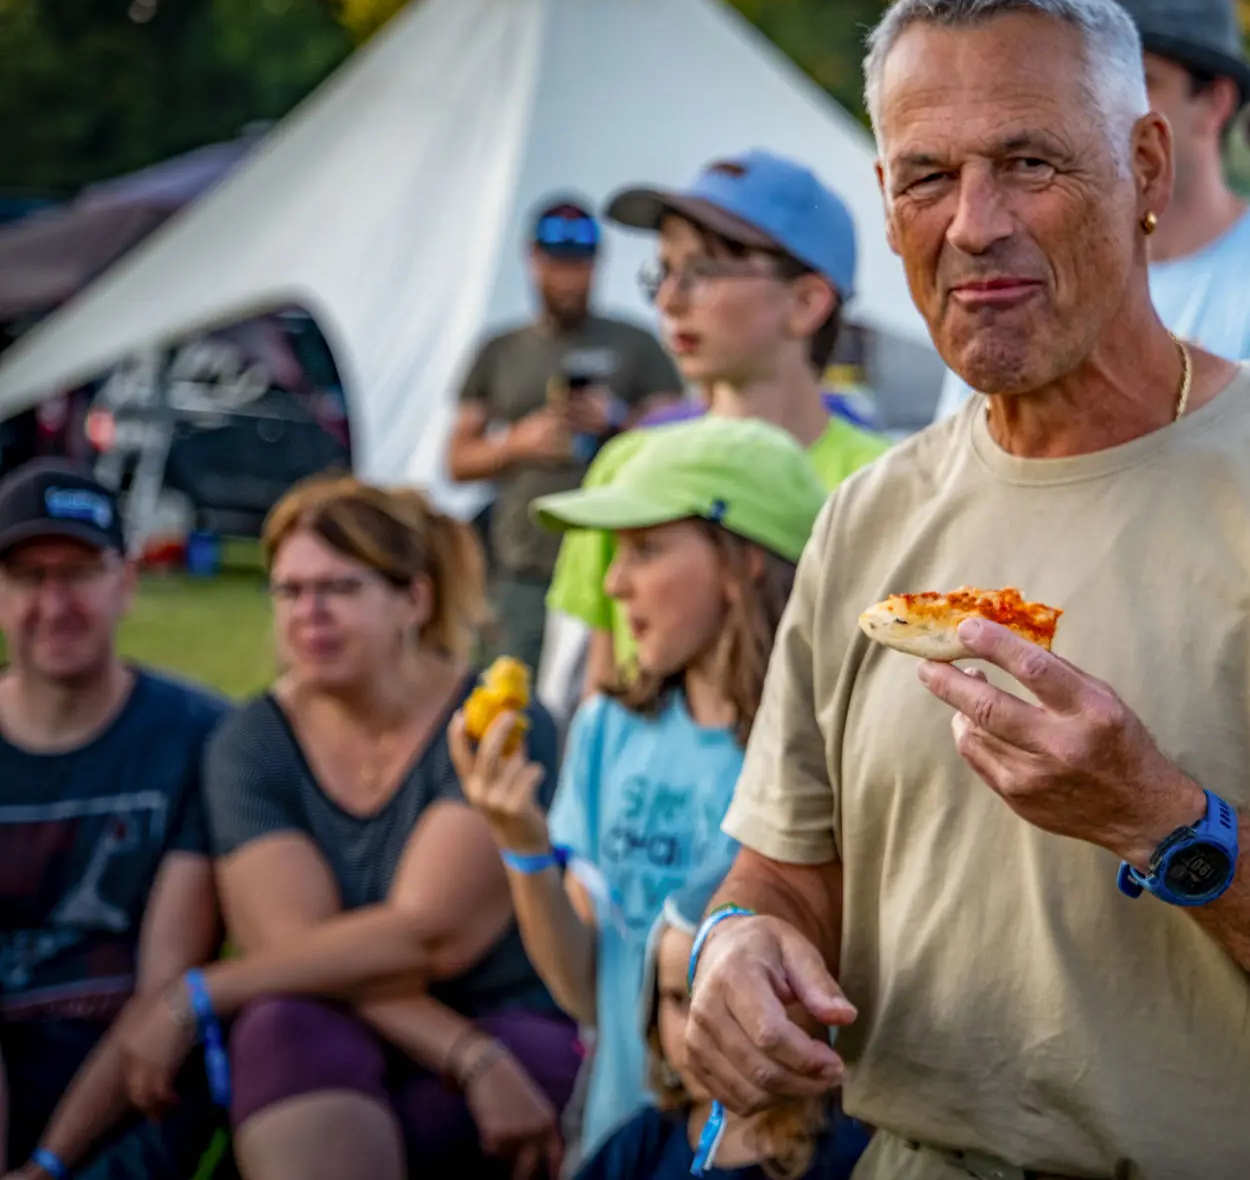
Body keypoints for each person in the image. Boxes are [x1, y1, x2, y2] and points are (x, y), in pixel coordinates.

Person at [683, 0, 1250, 1180]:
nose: (975, 223)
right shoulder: (868, 515)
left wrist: (1166, 821)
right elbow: (785, 865)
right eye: (929, 176)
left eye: (1028, 161)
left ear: (1143, 170)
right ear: (886, 199)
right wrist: (734, 945)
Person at [107, 475, 581, 1180]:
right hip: (335, 1021)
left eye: (339, 588)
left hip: (498, 1014)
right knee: (282, 1026)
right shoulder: (253, 740)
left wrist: (198, 993)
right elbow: (294, 950)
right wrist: (465, 1057)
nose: (310, 614)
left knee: (502, 1077)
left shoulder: (494, 720)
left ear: (413, 600)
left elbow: (430, 938)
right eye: (290, 591)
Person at [451, 417, 827, 1159]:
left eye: (646, 549)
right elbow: (590, 991)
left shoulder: (827, 749)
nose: (614, 583)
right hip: (624, 1137)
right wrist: (522, 845)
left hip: (785, 1152)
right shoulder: (606, 729)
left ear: (743, 562)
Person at [930, 0, 1250, 420]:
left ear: (1214, 102)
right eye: (1081, 82)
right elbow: (958, 467)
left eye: (1134, 80)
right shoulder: (1018, 279)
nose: (1094, 108)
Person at [539, 154, 891, 715]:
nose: (668, 300)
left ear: (805, 302)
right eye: (663, 272)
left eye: (701, 272)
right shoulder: (627, 464)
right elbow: (591, 691)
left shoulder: (886, 482)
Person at [0, 461, 228, 1180]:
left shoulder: (199, 734)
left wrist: (46, 1164)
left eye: (78, 572)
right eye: (28, 579)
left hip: (131, 1070)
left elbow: (166, 986)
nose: (54, 602)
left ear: (125, 582)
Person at [446, 198, 686, 675]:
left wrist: (615, 421)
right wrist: (519, 443)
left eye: (580, 264)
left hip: (615, 564)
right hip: (524, 568)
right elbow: (456, 460)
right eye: (557, 263)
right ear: (533, 260)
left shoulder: (635, 344)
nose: (568, 278)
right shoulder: (501, 349)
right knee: (513, 702)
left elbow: (680, 436)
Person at [570, 851, 869, 1180]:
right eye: (678, 999)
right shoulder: (643, 1144)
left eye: (735, 1000)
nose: (699, 1026)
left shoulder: (848, 1156)